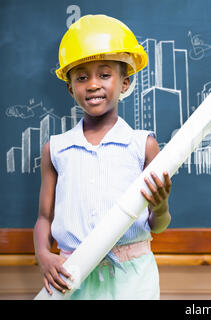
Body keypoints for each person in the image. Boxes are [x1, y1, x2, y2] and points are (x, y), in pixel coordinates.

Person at [33, 14, 172, 299]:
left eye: (105, 74)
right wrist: (43, 255)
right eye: (82, 77)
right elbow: (44, 217)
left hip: (133, 278)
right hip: (73, 276)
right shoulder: (56, 149)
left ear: (124, 83)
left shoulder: (143, 145)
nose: (93, 84)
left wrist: (161, 207)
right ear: (71, 88)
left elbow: (158, 224)